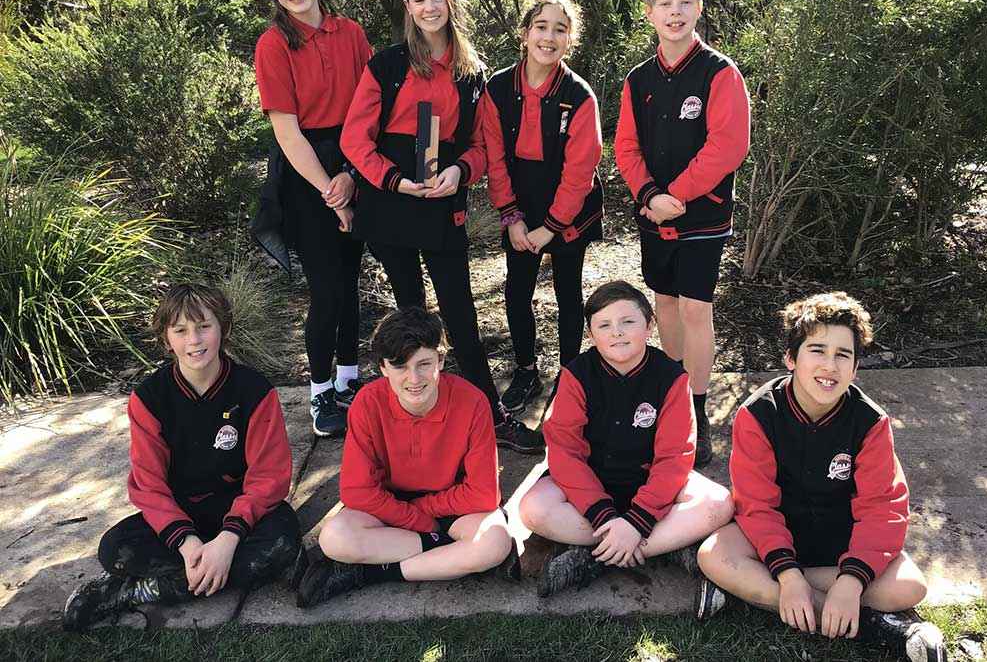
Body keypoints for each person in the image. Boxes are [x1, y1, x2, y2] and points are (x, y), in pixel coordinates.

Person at [340, 0, 542, 454]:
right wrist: (393, 181)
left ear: (451, 2)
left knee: (459, 309)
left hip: (442, 201)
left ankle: (488, 413)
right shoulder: (386, 65)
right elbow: (354, 139)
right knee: (410, 312)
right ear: (407, 6)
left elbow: (481, 146)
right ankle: (414, 418)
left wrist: (460, 172)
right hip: (391, 204)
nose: (430, 8)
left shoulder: (472, 72)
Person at [695, 292, 947, 662]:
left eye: (842, 354)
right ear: (790, 358)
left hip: (840, 537)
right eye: (817, 350)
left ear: (855, 368)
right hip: (774, 535)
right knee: (713, 556)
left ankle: (750, 594)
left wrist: (852, 579)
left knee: (910, 587)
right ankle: (871, 625)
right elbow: (756, 504)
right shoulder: (758, 414)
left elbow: (884, 508)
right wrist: (788, 573)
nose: (829, 365)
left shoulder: (870, 422)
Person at [62, 284, 300, 631]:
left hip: (237, 510)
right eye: (181, 330)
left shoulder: (255, 390)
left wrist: (227, 540)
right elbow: (149, 484)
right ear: (166, 339)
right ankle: (194, 574)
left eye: (204, 326)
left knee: (282, 542)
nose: (194, 340)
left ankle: (141, 590)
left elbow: (269, 478)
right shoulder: (149, 398)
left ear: (224, 329)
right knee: (115, 549)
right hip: (181, 513)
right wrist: (189, 545)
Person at [614, 0, 751, 467]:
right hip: (654, 212)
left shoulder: (719, 72)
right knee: (665, 305)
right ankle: (672, 402)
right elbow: (625, 146)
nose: (676, 12)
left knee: (696, 308)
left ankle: (697, 411)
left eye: (686, 2)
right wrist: (649, 195)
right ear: (650, 13)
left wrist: (679, 192)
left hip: (703, 214)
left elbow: (728, 145)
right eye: (666, 4)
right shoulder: (638, 78)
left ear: (699, 9)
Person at [519, 281, 734, 597]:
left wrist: (638, 520)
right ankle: (660, 546)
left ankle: (597, 556)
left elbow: (675, 458)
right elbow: (565, 453)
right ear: (592, 335)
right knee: (534, 508)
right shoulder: (577, 375)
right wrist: (604, 513)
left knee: (719, 503)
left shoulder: (671, 378)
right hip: (590, 488)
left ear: (649, 326)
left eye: (628, 322)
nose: (616, 332)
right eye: (604, 325)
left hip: (651, 486)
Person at [296, 307, 513, 606]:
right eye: (400, 366)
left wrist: (424, 510)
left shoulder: (473, 401)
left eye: (424, 364)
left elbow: (484, 494)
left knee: (494, 543)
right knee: (334, 537)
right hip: (390, 504)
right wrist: (420, 523)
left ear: (441, 360)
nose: (414, 379)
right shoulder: (367, 403)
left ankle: (368, 574)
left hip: (454, 502)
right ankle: (448, 553)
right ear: (383, 368)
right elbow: (357, 490)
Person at [252, 0, 371, 438]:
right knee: (325, 288)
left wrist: (353, 175)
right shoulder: (273, 44)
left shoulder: (351, 33)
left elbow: (370, 110)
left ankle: (349, 379)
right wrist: (330, 189)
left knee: (350, 278)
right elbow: (287, 130)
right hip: (307, 177)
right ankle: (321, 391)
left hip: (355, 161)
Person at [483, 0, 604, 416]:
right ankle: (526, 369)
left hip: (567, 209)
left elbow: (579, 172)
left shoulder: (580, 95)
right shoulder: (497, 88)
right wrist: (511, 217)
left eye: (560, 29)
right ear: (524, 32)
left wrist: (549, 227)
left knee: (568, 292)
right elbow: (494, 158)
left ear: (570, 38)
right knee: (517, 291)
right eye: (541, 27)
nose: (548, 37)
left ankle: (569, 377)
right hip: (520, 205)